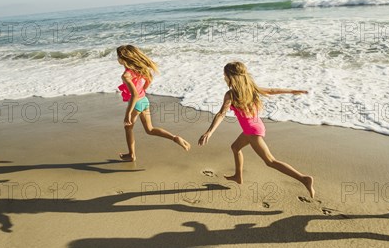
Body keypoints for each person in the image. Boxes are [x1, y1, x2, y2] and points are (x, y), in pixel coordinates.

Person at [198, 61, 315, 198]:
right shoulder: (251, 88)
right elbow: (271, 90)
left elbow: (221, 114)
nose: (224, 78)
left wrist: (209, 132)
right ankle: (238, 176)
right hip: (254, 127)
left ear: (231, 77)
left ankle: (304, 179)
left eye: (225, 75)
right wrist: (291, 91)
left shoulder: (231, 94)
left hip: (252, 131)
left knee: (270, 161)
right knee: (235, 147)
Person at [116, 45, 190, 161]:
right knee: (150, 129)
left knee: (128, 128)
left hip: (137, 103)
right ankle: (174, 138)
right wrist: (143, 89)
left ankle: (131, 155)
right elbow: (149, 79)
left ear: (122, 58)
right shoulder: (138, 69)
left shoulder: (126, 75)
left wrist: (127, 114)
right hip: (144, 100)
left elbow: (134, 95)